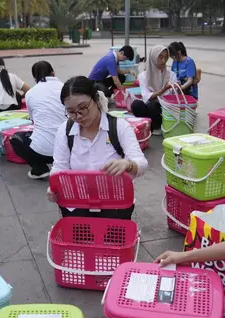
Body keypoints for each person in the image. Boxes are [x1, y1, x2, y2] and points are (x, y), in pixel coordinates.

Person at [47, 76, 149, 220]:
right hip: (77, 203)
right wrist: (54, 187)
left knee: (112, 239)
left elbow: (142, 163)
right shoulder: (65, 130)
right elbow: (59, 167)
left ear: (96, 99)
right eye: (71, 111)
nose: (79, 116)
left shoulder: (119, 127)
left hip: (114, 203)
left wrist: (128, 164)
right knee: (78, 239)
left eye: (83, 108)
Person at [10, 61, 64, 180]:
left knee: (16, 138)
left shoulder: (31, 93)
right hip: (68, 150)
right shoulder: (66, 88)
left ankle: (39, 168)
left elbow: (33, 120)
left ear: (35, 78)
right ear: (53, 73)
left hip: (42, 152)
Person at [130, 45, 178, 136]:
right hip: (151, 107)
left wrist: (178, 88)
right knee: (137, 105)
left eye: (166, 57)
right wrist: (164, 89)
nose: (163, 61)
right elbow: (147, 96)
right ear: (153, 58)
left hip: (166, 109)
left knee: (154, 105)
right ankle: (149, 125)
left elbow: (175, 97)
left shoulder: (171, 75)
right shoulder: (143, 76)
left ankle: (159, 126)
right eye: (160, 57)